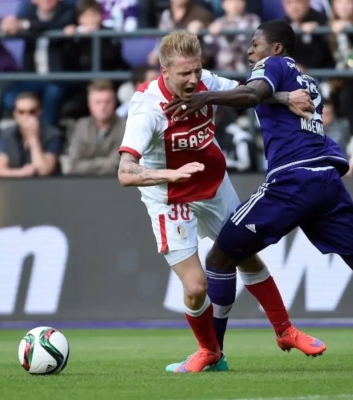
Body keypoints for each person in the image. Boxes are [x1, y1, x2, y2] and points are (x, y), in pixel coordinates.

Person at [164, 19, 353, 371]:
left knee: (220, 259)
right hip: (327, 183)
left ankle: (214, 355)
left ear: (276, 48)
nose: (250, 50)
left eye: (256, 44)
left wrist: (204, 97)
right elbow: (264, 97)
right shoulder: (308, 82)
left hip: (292, 182)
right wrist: (274, 96)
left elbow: (253, 95)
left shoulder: (272, 65)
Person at [117, 30, 319, 373]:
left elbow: (248, 94)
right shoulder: (147, 109)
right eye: (185, 73)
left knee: (246, 256)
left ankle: (285, 330)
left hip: (213, 186)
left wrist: (286, 98)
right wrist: (170, 174)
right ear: (165, 72)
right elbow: (125, 171)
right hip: (170, 197)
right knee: (196, 287)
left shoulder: (206, 82)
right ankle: (210, 351)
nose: (193, 79)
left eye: (196, 70)